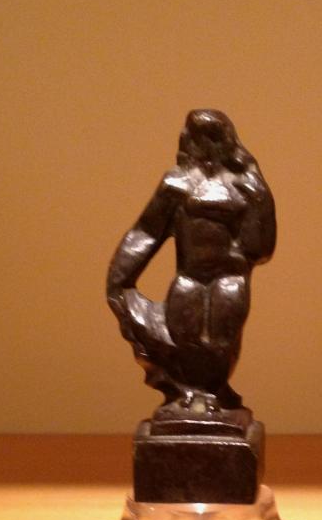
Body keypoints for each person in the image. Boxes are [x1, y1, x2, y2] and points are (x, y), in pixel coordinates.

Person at [107, 110, 276, 417]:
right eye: (199, 137)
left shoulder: (246, 185)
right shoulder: (176, 183)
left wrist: (259, 198)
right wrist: (121, 276)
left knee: (221, 338)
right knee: (185, 334)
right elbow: (147, 231)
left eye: (214, 137)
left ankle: (213, 392)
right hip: (191, 275)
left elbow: (261, 247)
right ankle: (190, 393)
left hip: (230, 276)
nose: (207, 145)